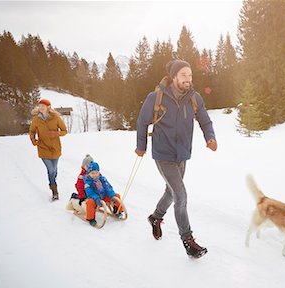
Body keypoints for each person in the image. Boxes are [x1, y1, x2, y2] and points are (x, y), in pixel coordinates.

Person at [135, 59, 218, 259]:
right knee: (180, 195)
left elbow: (205, 120)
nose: (188, 79)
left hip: (182, 154)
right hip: (163, 154)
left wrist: (210, 137)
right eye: (183, 75)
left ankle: (155, 217)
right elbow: (142, 121)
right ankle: (188, 241)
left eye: (190, 75)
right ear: (174, 77)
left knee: (171, 192)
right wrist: (141, 146)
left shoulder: (194, 98)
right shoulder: (156, 97)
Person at [29, 98, 67, 200]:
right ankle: (54, 190)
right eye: (40, 106)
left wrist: (56, 133)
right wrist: (33, 139)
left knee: (54, 170)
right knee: (50, 169)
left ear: (48, 107)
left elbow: (64, 131)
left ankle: (52, 181)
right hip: (43, 147)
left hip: (55, 148)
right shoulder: (36, 119)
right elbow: (32, 131)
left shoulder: (56, 117)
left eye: (43, 106)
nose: (41, 107)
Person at [83, 161, 124, 226]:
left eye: (96, 172)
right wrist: (96, 199)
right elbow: (90, 193)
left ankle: (118, 211)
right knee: (89, 202)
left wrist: (111, 195)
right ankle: (91, 218)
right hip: (95, 199)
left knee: (117, 196)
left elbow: (108, 187)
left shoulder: (102, 179)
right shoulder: (88, 183)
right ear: (89, 174)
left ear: (99, 172)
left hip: (104, 197)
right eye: (92, 173)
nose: (95, 175)